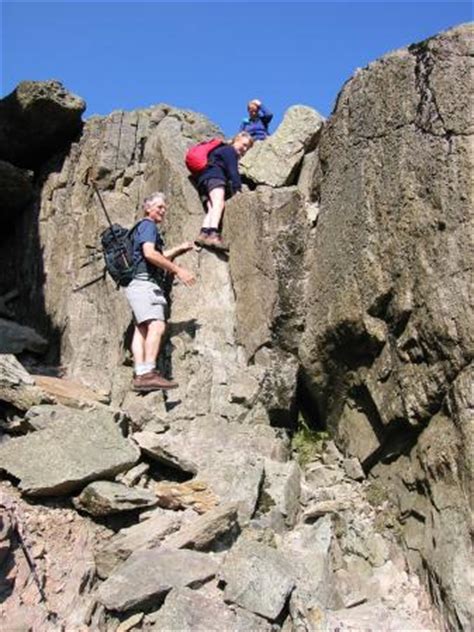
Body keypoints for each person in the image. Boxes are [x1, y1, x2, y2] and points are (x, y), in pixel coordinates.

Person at [125, 192, 196, 392]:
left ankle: (140, 374)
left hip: (135, 285)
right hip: (146, 285)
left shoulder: (139, 228)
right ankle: (149, 374)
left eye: (165, 207)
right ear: (148, 208)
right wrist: (178, 270)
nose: (163, 211)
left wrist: (178, 249)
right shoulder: (148, 226)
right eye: (159, 207)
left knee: (142, 329)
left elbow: (153, 254)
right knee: (157, 326)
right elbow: (150, 254)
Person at [195, 132, 253, 250]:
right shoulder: (229, 151)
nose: (244, 149)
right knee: (218, 203)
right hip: (215, 177)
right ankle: (213, 234)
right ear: (237, 140)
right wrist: (237, 189)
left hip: (203, 181)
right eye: (244, 144)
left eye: (247, 147)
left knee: (211, 208)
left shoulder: (221, 150)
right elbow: (233, 171)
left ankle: (203, 234)